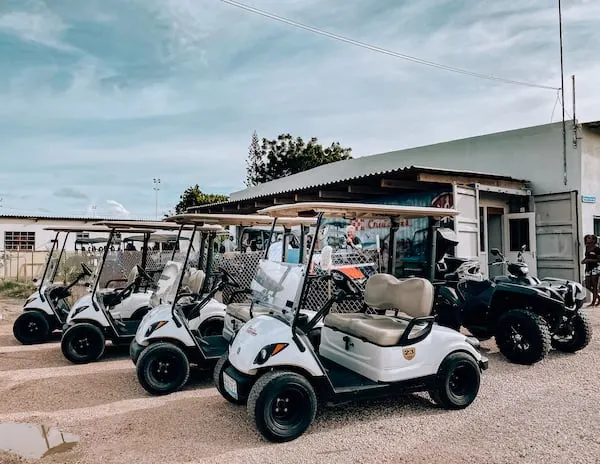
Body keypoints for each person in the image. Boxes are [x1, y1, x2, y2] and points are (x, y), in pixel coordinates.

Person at [582, 234, 600, 306]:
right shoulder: (587, 247)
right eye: (587, 238)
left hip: (595, 268)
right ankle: (598, 297)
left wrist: (589, 260)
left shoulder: (597, 249)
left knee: (594, 285)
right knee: (587, 285)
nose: (587, 239)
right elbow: (587, 256)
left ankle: (593, 302)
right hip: (588, 268)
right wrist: (584, 260)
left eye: (589, 238)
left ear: (593, 240)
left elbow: (599, 260)